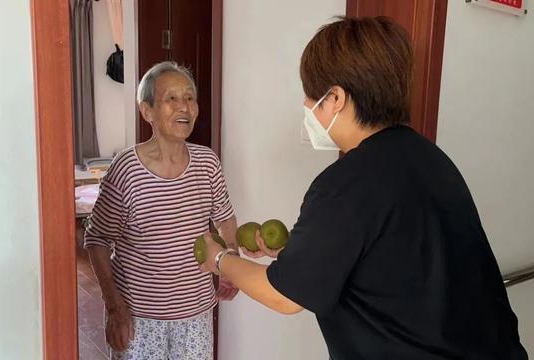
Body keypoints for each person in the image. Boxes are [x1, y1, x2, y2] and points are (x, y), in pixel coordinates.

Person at [199, 16, 528, 359]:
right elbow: (390, 259)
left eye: (312, 95)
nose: (307, 107)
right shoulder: (429, 158)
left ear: (336, 98)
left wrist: (219, 259)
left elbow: (285, 297)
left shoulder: (346, 183)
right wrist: (292, 256)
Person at [85, 61, 238, 360]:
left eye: (190, 98)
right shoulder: (126, 169)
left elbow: (225, 218)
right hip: (138, 316)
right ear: (147, 111)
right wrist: (114, 307)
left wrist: (230, 264)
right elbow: (97, 240)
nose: (185, 107)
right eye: (171, 99)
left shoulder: (207, 163)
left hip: (195, 314)